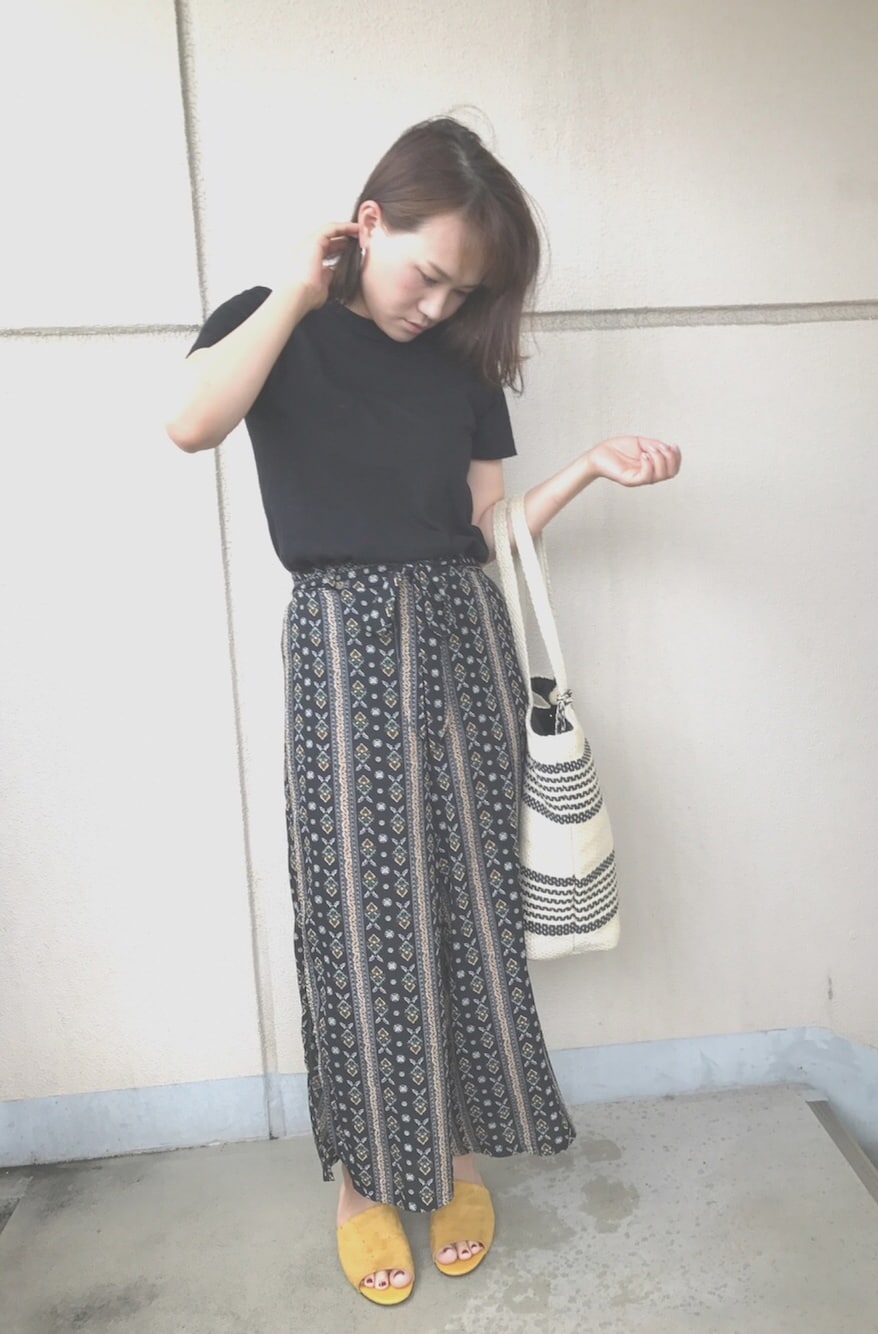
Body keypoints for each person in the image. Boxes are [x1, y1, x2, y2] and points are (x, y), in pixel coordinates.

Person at [166, 115, 680, 1308]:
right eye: (428, 273)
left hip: (465, 642)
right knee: (358, 922)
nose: (439, 306)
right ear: (368, 223)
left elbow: (485, 535)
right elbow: (190, 422)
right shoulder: (271, 321)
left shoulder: (462, 366)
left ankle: (452, 1153)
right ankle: (363, 1177)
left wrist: (586, 468)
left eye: (466, 291)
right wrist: (298, 291)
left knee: (466, 913)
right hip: (341, 647)